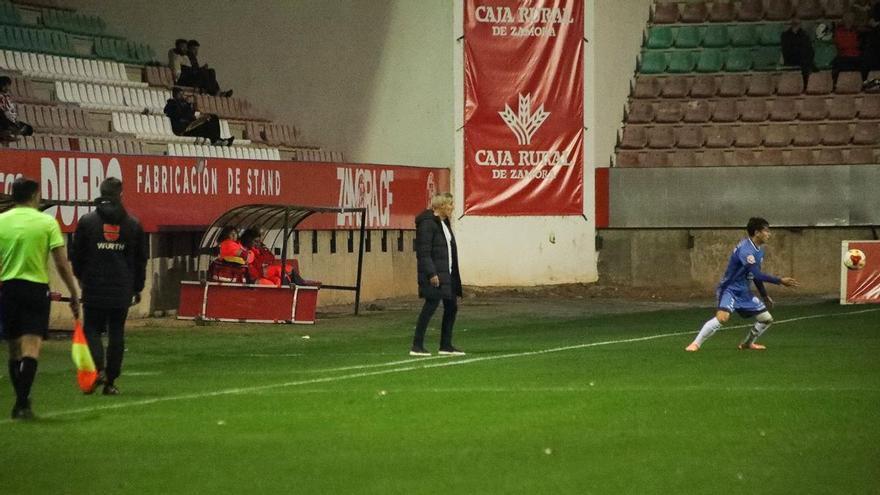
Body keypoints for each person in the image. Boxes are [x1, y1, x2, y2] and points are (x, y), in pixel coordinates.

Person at [0, 177, 80, 420]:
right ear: (35, 196)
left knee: (14, 349)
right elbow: (60, 262)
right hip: (35, 290)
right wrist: (74, 292)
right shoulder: (46, 223)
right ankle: (23, 403)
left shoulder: (2, 221)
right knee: (32, 347)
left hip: (8, 290)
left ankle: (21, 401)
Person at [71, 177, 147, 396]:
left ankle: (98, 369)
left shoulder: (87, 222)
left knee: (92, 329)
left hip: (94, 284)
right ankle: (111, 380)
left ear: (101, 193)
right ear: (120, 195)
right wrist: (137, 286)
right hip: (121, 287)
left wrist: (81, 277)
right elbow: (140, 258)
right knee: (116, 332)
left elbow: (77, 255)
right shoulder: (132, 224)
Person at [685, 217, 800, 352]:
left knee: (766, 319)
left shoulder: (758, 250)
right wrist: (780, 281)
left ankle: (747, 344)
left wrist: (764, 295)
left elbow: (754, 275)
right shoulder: (746, 250)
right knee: (723, 318)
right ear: (757, 233)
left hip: (744, 291)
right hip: (730, 288)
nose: (769, 234)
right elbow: (757, 275)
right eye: (766, 231)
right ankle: (695, 344)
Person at [410, 192, 464, 357]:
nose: (452, 208)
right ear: (440, 206)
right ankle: (417, 345)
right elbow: (424, 252)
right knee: (430, 306)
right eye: (449, 205)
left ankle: (445, 345)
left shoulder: (444, 223)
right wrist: (432, 273)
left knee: (451, 306)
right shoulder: (427, 224)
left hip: (447, 273)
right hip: (435, 274)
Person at [164, 87, 233, 146]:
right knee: (207, 126)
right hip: (185, 130)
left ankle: (218, 139)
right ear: (175, 95)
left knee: (213, 117)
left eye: (183, 94)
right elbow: (180, 114)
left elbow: (192, 115)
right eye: (180, 94)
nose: (183, 96)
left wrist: (199, 115)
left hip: (191, 126)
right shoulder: (172, 105)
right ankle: (216, 140)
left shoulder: (185, 105)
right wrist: (187, 107)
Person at [832, 12, 865, 83]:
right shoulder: (838, 31)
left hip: (857, 57)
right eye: (847, 19)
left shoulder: (858, 32)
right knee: (838, 63)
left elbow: (859, 45)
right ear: (843, 20)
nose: (849, 21)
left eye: (851, 19)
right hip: (844, 57)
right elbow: (842, 45)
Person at [781, 18, 815, 85]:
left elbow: (809, 49)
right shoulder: (785, 35)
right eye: (794, 23)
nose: (796, 25)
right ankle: (805, 84)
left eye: (797, 23)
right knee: (806, 62)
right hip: (791, 58)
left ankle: (806, 84)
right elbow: (786, 50)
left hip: (803, 58)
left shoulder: (804, 35)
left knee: (806, 60)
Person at [0, 76, 33, 142]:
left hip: (10, 120)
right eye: (5, 86)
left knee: (29, 129)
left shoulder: (7, 97)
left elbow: (10, 110)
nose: (7, 88)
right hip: (3, 119)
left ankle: (10, 131)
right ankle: (5, 133)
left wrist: (14, 121)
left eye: (8, 86)